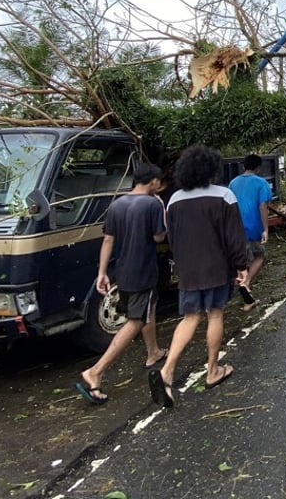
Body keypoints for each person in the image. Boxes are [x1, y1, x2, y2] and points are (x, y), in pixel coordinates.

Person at [149, 145, 249, 408]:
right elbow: (234, 237)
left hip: (187, 269)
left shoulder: (175, 200)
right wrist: (242, 265)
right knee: (215, 314)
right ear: (211, 169)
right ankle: (213, 370)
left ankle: (167, 371)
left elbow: (172, 236)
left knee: (190, 317)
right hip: (216, 267)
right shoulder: (224, 196)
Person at [76, 163, 168, 406]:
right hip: (143, 271)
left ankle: (153, 352)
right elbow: (160, 236)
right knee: (136, 320)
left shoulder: (117, 204)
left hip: (123, 270)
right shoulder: (151, 204)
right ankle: (96, 371)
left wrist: (102, 272)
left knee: (148, 308)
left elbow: (108, 239)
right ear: (153, 182)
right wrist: (161, 208)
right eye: (159, 181)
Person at [227, 154, 271, 311]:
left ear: (243, 166)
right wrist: (265, 228)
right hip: (254, 227)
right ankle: (247, 283)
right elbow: (263, 206)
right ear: (258, 167)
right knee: (259, 256)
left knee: (240, 261)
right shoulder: (261, 183)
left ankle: (244, 291)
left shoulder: (233, 183)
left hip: (235, 227)